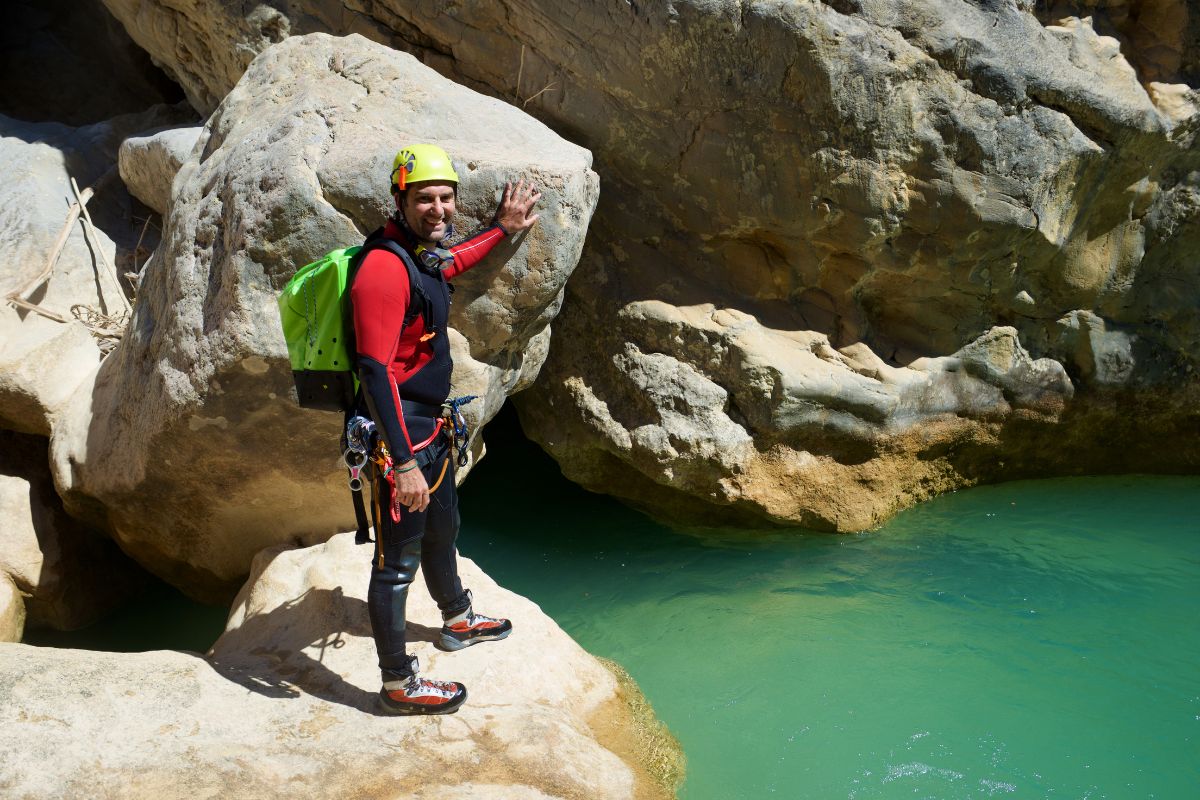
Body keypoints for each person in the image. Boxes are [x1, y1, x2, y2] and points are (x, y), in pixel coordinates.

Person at [351, 143, 541, 715]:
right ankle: (397, 684)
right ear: (399, 199)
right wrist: (403, 462)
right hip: (400, 440)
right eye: (425, 199)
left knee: (443, 531)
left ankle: (457, 617)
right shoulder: (383, 267)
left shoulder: (418, 254)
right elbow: (372, 369)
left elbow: (448, 264)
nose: (438, 209)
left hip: (431, 430)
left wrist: (501, 230)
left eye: (445, 198)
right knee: (395, 566)